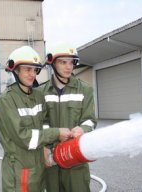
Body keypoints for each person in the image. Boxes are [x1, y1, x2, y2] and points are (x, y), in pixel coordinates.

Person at [0, 46, 72, 192]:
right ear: (15, 70)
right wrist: (56, 133)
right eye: (27, 69)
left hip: (38, 168)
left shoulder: (38, 96)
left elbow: (44, 123)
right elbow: (23, 137)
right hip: (19, 170)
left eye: (35, 70)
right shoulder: (6, 100)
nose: (32, 74)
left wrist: (46, 148)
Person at [39, 42, 97, 192]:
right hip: (50, 159)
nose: (68, 67)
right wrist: (44, 147)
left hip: (75, 159)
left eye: (71, 62)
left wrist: (83, 129)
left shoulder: (85, 89)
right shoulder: (40, 92)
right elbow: (40, 123)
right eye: (63, 62)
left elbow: (90, 119)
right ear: (52, 64)